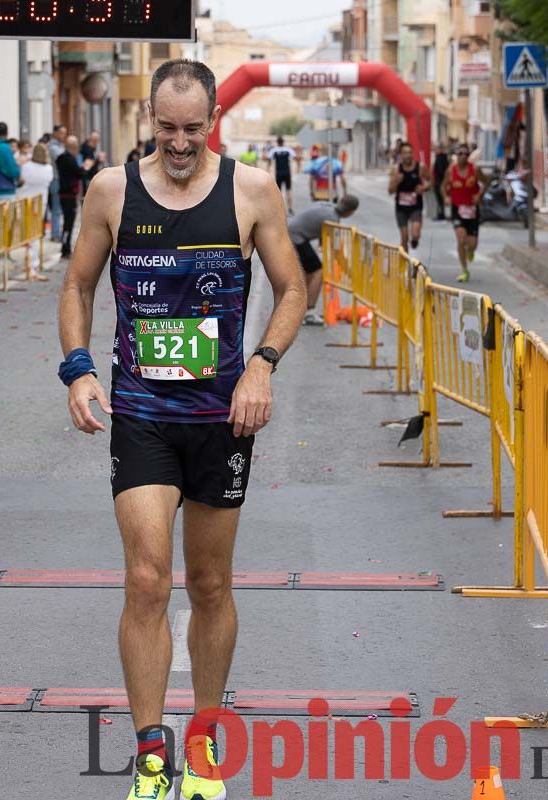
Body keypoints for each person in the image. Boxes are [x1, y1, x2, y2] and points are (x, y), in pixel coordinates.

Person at [57, 58, 306, 800]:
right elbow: (77, 283)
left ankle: (203, 742)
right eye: (166, 128)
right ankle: (151, 755)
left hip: (222, 419)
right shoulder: (112, 190)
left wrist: (262, 364)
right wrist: (77, 367)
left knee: (209, 583)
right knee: (145, 580)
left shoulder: (252, 189)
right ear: (150, 122)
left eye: (193, 128)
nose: (179, 142)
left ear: (215, 117)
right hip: (141, 415)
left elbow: (294, 288)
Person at [288, 196, 360, 325]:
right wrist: (349, 272)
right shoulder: (332, 220)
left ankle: (298, 310)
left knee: (308, 273)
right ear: (350, 212)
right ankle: (308, 313)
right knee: (318, 272)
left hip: (291, 232)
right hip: (296, 237)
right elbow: (337, 251)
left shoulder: (326, 206)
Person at [442, 143, 483, 282]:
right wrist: (446, 197)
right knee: (461, 239)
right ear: (456, 155)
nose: (463, 156)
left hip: (472, 210)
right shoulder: (451, 171)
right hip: (457, 209)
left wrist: (479, 195)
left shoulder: (475, 169)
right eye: (460, 153)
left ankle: (470, 251)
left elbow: (486, 183)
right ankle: (464, 270)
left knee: (472, 244)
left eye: (466, 154)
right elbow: (443, 186)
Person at [54, 136, 96, 259]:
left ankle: (65, 247)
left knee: (68, 222)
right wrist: (87, 166)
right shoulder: (69, 159)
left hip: (65, 193)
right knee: (68, 223)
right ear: (74, 148)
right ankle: (65, 248)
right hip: (69, 194)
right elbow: (80, 173)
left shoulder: (61, 158)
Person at [389, 142, 432, 253]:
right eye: (405, 153)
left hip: (415, 206)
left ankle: (415, 240)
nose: (408, 156)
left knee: (415, 234)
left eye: (410, 153)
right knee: (404, 238)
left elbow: (431, 181)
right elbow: (390, 190)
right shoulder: (396, 169)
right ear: (400, 155)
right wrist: (396, 182)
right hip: (401, 207)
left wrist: (424, 187)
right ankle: (405, 267)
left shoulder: (420, 167)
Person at [0, 122, 23, 203]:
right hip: (4, 190)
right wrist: (18, 174)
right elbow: (12, 170)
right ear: (7, 133)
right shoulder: (4, 147)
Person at [48, 125, 68, 242]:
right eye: (61, 132)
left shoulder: (60, 146)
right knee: (56, 208)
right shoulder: (53, 147)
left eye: (64, 133)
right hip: (55, 179)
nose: (63, 135)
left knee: (59, 208)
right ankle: (55, 234)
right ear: (55, 133)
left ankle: (57, 232)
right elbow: (63, 159)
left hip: (61, 179)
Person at [267, 136, 295, 214]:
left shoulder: (274, 150)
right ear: (283, 142)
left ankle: (279, 209)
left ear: (277, 142)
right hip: (287, 173)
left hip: (278, 173)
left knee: (279, 192)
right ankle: (290, 208)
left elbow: (269, 160)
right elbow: (294, 157)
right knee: (288, 191)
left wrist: (268, 170)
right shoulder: (288, 150)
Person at [431, 141, 450, 220]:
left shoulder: (440, 158)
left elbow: (441, 171)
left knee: (440, 200)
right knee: (441, 200)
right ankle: (441, 213)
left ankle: (441, 214)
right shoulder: (445, 158)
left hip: (439, 182)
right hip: (441, 181)